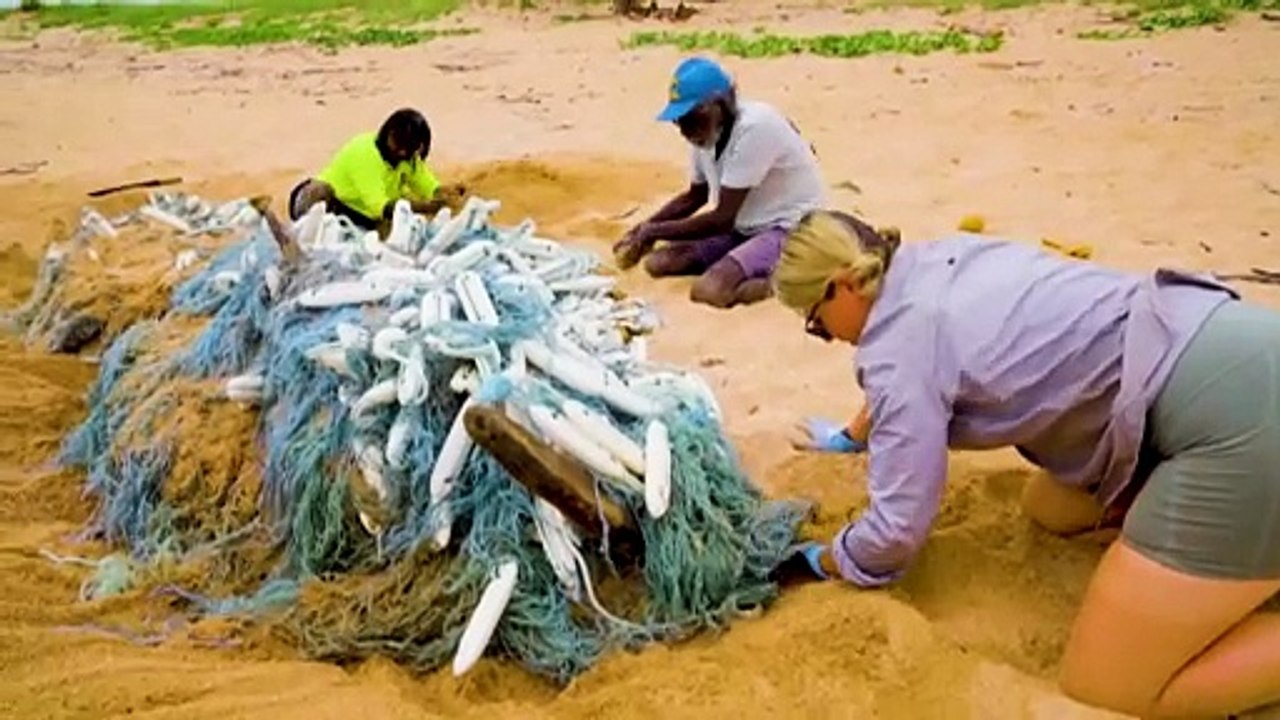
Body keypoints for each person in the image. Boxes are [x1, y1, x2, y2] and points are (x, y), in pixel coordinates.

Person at [774, 209, 1280, 719]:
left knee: (1107, 687)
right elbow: (914, 373)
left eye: (815, 321)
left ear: (844, 285)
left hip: (1244, 430)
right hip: (1226, 339)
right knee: (1052, 508)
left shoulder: (898, 352)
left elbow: (896, 531)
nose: (826, 335)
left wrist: (824, 557)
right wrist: (851, 438)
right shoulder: (936, 262)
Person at [612, 57, 825, 309]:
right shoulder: (707, 136)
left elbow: (722, 218)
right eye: (679, 120)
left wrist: (655, 231)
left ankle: (796, 279)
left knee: (710, 290)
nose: (683, 129)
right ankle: (752, 264)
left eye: (690, 117)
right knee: (658, 263)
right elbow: (695, 196)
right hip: (745, 228)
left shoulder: (755, 128)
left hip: (789, 227)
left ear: (719, 106)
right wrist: (643, 229)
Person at [288, 108, 457, 235]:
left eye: (408, 149)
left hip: (358, 216)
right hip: (327, 201)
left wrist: (443, 192)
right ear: (388, 134)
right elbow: (379, 206)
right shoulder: (364, 153)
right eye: (398, 145)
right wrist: (426, 207)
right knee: (320, 192)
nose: (402, 153)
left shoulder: (408, 159)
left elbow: (425, 183)